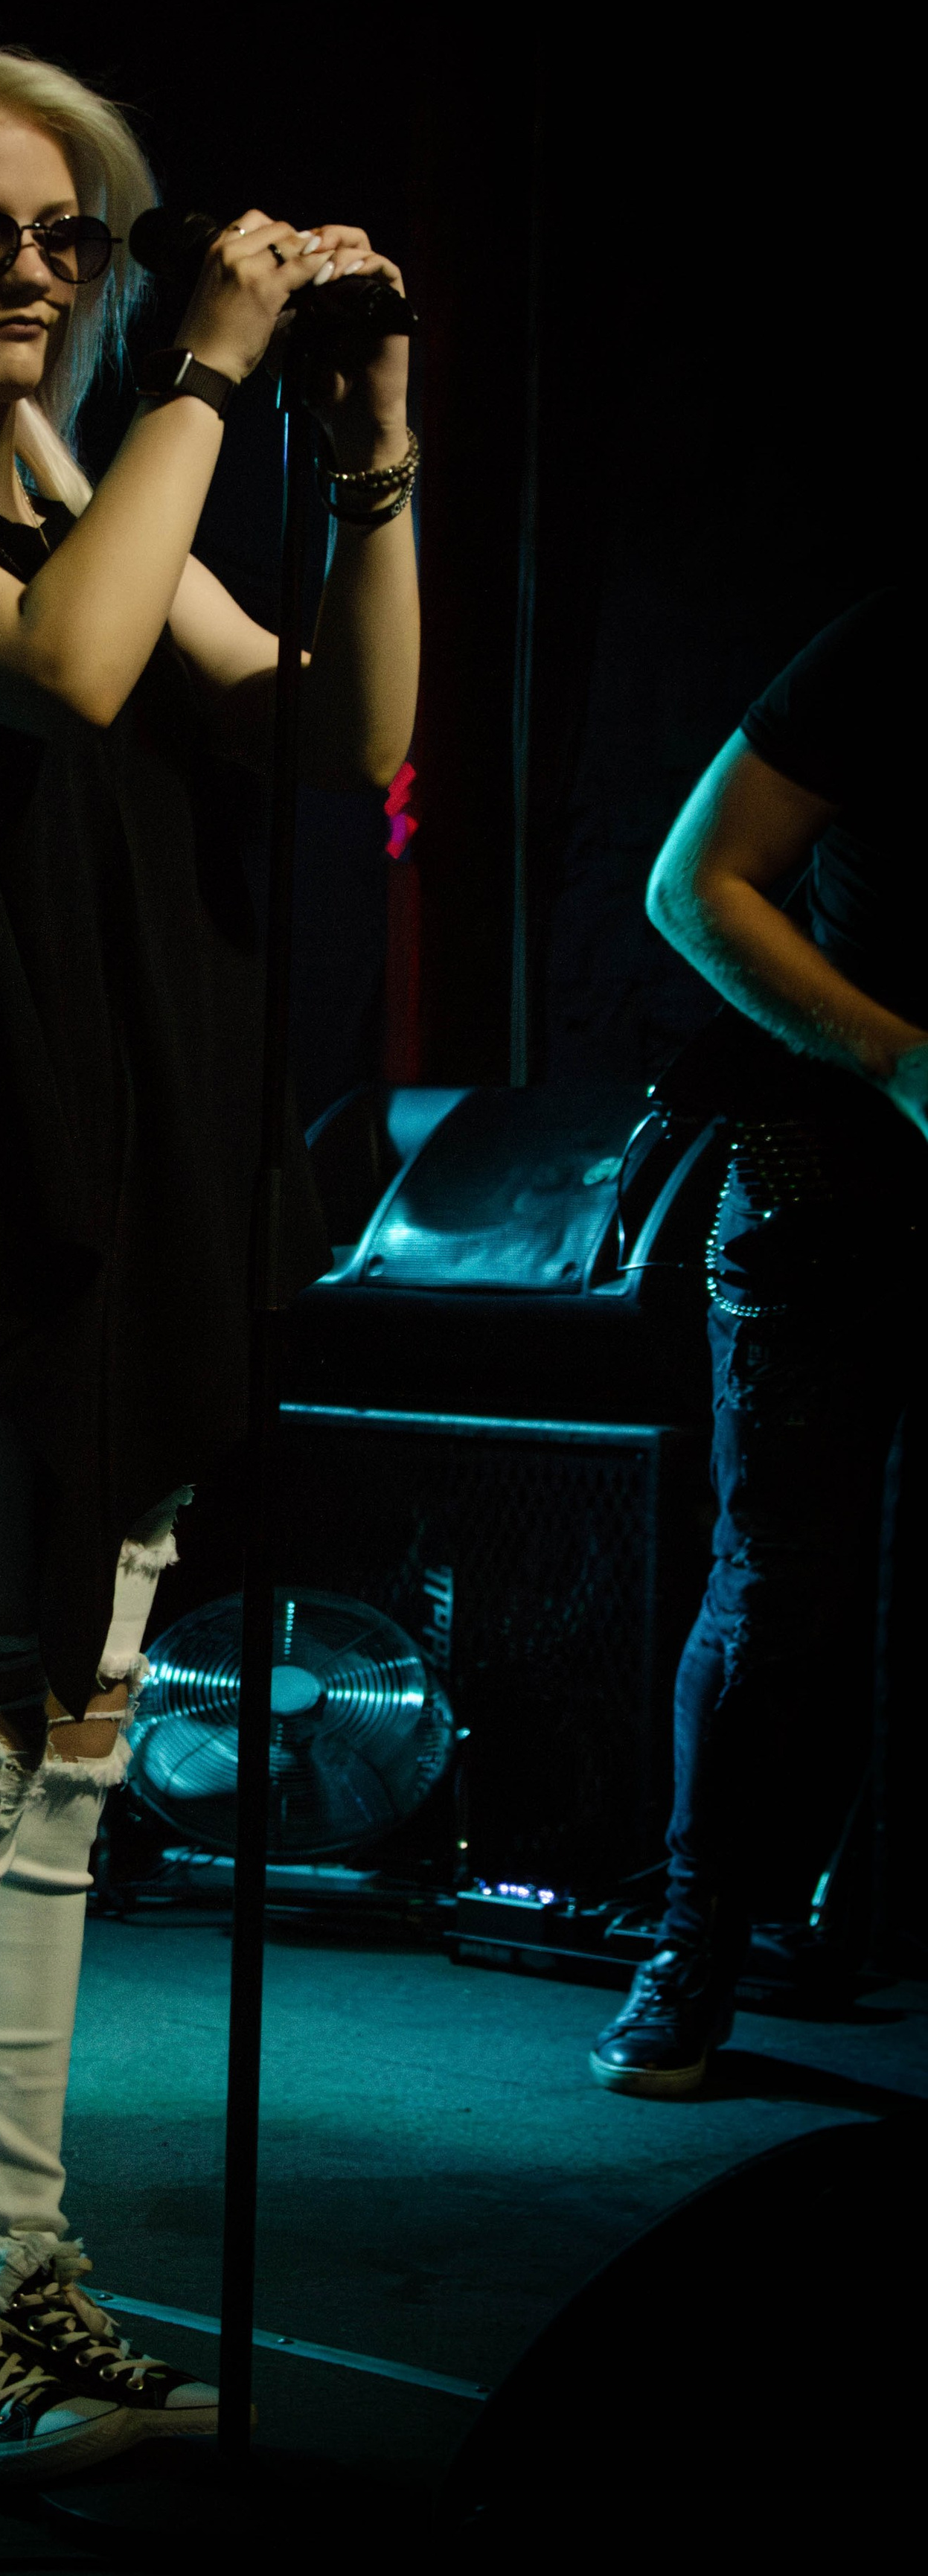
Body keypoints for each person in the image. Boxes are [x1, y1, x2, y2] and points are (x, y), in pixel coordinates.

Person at [0, 44, 418, 2478]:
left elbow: (351, 737)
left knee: (73, 1754)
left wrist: (375, 465)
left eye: (72, 234)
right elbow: (68, 666)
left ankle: (24, 2262)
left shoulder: (87, 492)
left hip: (117, 1183)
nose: (37, 271)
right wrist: (205, 384)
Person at [591, 588, 924, 2097]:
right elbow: (694, 884)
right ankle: (691, 1955)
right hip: (830, 1162)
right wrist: (899, 1059)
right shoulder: (892, 649)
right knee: (776, 1578)